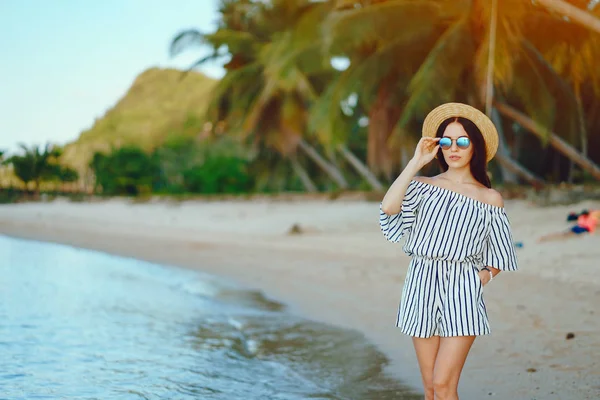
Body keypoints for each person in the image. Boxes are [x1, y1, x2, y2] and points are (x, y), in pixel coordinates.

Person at [379, 102, 518, 400]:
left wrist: (479, 280)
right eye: (446, 141)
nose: (454, 148)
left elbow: (499, 255)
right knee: (430, 389)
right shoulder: (421, 185)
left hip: (462, 289)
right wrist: (416, 162)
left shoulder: (489, 198)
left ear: (475, 147)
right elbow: (389, 208)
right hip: (421, 284)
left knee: (444, 386)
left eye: (463, 141)